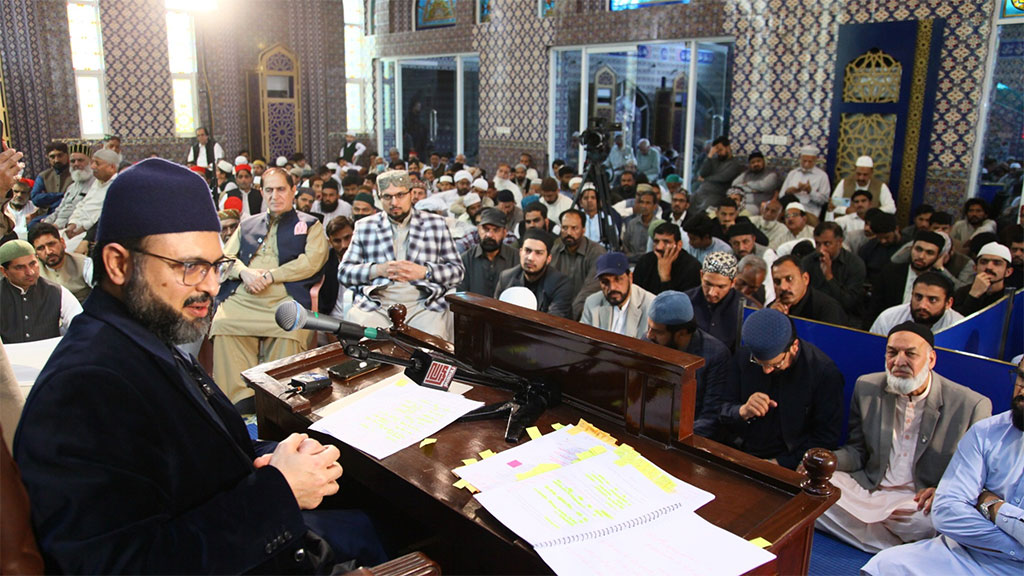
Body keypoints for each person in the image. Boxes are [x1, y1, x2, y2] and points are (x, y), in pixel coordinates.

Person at [12, 158, 387, 573]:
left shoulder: (149, 334)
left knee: (375, 517)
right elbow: (122, 564)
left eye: (214, 266)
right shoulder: (84, 388)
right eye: (189, 267)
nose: (210, 285)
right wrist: (279, 490)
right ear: (118, 264)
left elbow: (208, 457)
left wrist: (280, 454)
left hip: (263, 536)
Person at [817, 323, 992, 553]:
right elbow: (857, 451)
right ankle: (901, 549)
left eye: (910, 353)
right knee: (816, 490)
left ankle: (869, 537)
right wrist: (825, 462)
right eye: (892, 352)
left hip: (917, 502)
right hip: (871, 488)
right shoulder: (867, 386)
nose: (899, 361)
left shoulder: (972, 405)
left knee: (934, 521)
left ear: (931, 360)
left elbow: (975, 476)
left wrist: (943, 489)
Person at [861, 356, 1023, 576]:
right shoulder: (986, 433)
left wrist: (992, 505)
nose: (1022, 391)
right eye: (1021, 378)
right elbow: (947, 510)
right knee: (885, 565)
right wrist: (1015, 547)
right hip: (966, 553)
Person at [211, 167, 329, 409]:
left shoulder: (310, 224)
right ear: (261, 192)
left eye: (281, 189)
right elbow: (224, 259)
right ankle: (239, 403)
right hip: (245, 294)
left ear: (293, 190)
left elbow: (312, 261)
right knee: (223, 324)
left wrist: (271, 275)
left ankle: (279, 402)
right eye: (269, 190)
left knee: (289, 330)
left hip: (283, 295)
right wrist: (244, 272)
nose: (275, 195)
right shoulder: (247, 224)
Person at [339, 170, 464, 340]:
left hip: (423, 305)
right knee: (368, 345)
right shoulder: (365, 226)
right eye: (387, 197)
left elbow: (457, 272)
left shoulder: (435, 224)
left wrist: (425, 272)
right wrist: (377, 270)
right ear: (379, 198)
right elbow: (344, 273)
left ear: (411, 194)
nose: (394, 202)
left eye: (400, 195)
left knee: (430, 346)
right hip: (377, 306)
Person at [714, 308, 843, 469]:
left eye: (775, 364)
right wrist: (742, 411)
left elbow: (825, 438)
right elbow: (720, 408)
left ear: (794, 347)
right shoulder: (744, 356)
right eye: (760, 363)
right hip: (739, 451)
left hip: (789, 461)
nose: (766, 371)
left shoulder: (823, 373)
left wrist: (781, 463)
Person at [645, 290, 732, 439]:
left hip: (687, 436)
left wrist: (672, 437)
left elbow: (711, 417)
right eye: (649, 328)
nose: (649, 335)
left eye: (657, 331)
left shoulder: (715, 355)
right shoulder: (649, 343)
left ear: (681, 333)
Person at [0, 239, 82, 343]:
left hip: (51, 356)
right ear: (4, 271)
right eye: (20, 267)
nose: (30, 272)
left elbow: (81, 326)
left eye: (33, 263)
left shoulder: (57, 292)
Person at [870, 232, 952, 322]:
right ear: (911, 248)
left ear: (938, 256)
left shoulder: (941, 282)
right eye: (918, 249)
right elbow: (874, 308)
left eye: (929, 253)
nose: (921, 256)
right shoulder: (890, 273)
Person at [494, 228, 572, 318]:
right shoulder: (506, 278)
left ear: (548, 259)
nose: (530, 258)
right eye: (527, 251)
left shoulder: (561, 284)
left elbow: (554, 322)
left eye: (538, 253)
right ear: (520, 252)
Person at [803, 222, 867, 325]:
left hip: (845, 318)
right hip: (813, 316)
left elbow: (848, 303)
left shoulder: (855, 264)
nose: (821, 249)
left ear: (839, 242)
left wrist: (829, 277)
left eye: (827, 244)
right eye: (818, 244)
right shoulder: (808, 261)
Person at [580, 251, 654, 340]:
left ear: (630, 278)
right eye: (605, 282)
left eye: (618, 279)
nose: (612, 288)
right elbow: (582, 342)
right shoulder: (592, 303)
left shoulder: (651, 306)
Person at [684, 251, 747, 351]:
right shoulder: (685, 301)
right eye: (708, 284)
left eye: (721, 286)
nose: (712, 293)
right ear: (701, 275)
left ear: (733, 283)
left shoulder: (745, 310)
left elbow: (743, 355)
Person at [551, 208, 606, 320]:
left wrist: (569, 317)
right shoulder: (555, 248)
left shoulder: (597, 252)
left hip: (585, 313)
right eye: (565, 228)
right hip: (557, 311)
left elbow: (590, 289)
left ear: (584, 229)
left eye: (574, 228)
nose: (569, 233)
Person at [870, 271, 965, 335]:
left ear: (948, 303)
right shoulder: (888, 319)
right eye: (918, 297)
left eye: (932, 300)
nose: (922, 305)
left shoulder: (960, 327)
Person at [768, 255, 847, 325]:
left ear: (805, 279)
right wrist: (770, 318)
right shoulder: (772, 309)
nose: (783, 287)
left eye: (789, 279)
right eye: (777, 282)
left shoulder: (828, 309)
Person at [458, 208, 519, 297]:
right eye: (486, 229)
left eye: (496, 230)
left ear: (505, 233)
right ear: (478, 230)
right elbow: (461, 297)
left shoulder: (516, 258)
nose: (490, 235)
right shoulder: (466, 260)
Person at [29, 222, 92, 302]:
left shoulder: (84, 263)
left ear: (62, 242)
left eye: (51, 244)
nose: (48, 252)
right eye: (41, 248)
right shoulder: (32, 272)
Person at [633, 222, 702, 295]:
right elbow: (636, 294)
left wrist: (665, 278)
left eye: (666, 242)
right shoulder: (645, 261)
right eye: (656, 241)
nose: (659, 247)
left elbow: (684, 303)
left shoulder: (692, 268)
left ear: (679, 245)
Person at [952, 241, 1014, 317]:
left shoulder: (1012, 296)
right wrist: (973, 296)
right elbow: (956, 323)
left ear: (1008, 272)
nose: (989, 267)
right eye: (983, 262)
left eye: (997, 263)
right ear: (975, 268)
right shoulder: (962, 293)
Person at [829, 155, 896, 218]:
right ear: (854, 170)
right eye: (858, 174)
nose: (861, 178)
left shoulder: (880, 186)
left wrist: (872, 212)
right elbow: (833, 204)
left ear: (871, 172)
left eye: (865, 175)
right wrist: (846, 210)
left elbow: (891, 208)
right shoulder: (845, 183)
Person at [779, 145, 831, 218]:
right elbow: (781, 196)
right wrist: (789, 191)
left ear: (815, 161)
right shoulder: (793, 173)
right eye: (804, 161)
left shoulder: (822, 176)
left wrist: (810, 192)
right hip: (789, 209)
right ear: (800, 159)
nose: (806, 164)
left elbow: (824, 201)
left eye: (810, 161)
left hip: (809, 212)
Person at [695, 136, 745, 212]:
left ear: (728, 148)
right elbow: (702, 173)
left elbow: (723, 177)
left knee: (704, 209)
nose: (718, 153)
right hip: (702, 191)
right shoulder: (714, 160)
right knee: (688, 202)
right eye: (716, 151)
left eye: (720, 150)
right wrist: (710, 156)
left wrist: (705, 179)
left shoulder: (735, 163)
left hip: (717, 193)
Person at [29, 143, 71, 216]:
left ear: (67, 155)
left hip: (71, 213)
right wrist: (61, 195)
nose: (56, 160)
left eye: (60, 155)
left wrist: (48, 198)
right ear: (47, 157)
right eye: (52, 157)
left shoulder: (76, 174)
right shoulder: (43, 176)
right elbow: (35, 198)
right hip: (48, 214)